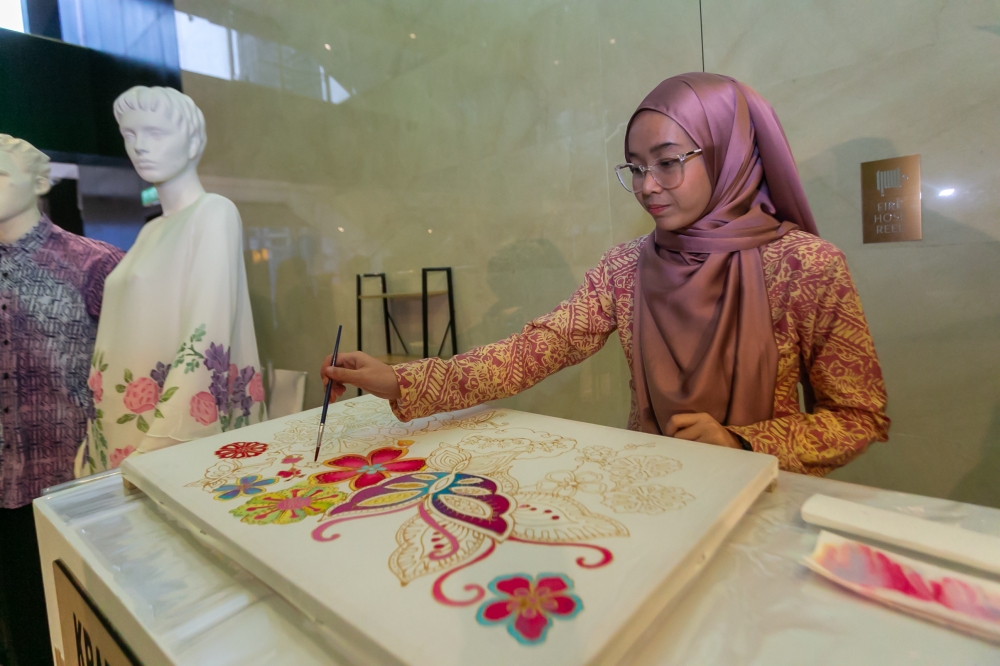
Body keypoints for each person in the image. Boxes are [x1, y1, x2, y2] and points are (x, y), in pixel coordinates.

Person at [320, 73, 890, 476]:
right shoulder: (626, 267)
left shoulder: (805, 266)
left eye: (668, 162)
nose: (647, 186)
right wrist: (400, 380)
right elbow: (533, 351)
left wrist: (742, 441)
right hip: (653, 487)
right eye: (636, 168)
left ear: (730, 153)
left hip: (765, 502)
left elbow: (859, 418)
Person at [76, 87, 266, 476]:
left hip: (164, 443)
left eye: (155, 133)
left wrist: (158, 445)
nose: (140, 146)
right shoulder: (150, 232)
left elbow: (207, 334)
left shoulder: (213, 213)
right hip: (121, 430)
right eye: (130, 135)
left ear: (194, 140)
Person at [0, 135, 122, 666]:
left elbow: (127, 379)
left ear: (40, 182)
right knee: (24, 635)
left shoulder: (98, 267)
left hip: (71, 489)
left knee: (81, 631)